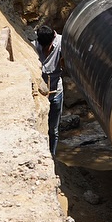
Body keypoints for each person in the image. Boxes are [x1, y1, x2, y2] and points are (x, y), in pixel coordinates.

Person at [34, 25, 64, 156]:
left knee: (53, 130)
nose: (46, 50)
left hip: (56, 92)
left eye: (48, 46)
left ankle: (52, 156)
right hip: (40, 95)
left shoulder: (63, 43)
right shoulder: (34, 45)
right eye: (44, 47)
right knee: (41, 129)